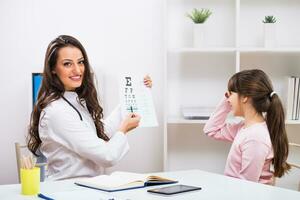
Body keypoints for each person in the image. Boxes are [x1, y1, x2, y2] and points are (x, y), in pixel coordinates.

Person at [27, 35, 153, 180]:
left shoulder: (73, 101)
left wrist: (136, 92)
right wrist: (123, 130)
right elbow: (107, 156)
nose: (77, 70)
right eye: (67, 64)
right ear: (53, 69)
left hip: (88, 187)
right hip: (67, 191)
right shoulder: (57, 112)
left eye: (80, 62)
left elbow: (99, 133)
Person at [203, 69, 290, 184]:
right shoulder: (244, 128)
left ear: (245, 97)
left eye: (231, 94)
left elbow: (247, 187)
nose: (228, 98)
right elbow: (211, 130)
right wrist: (227, 99)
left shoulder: (255, 137)